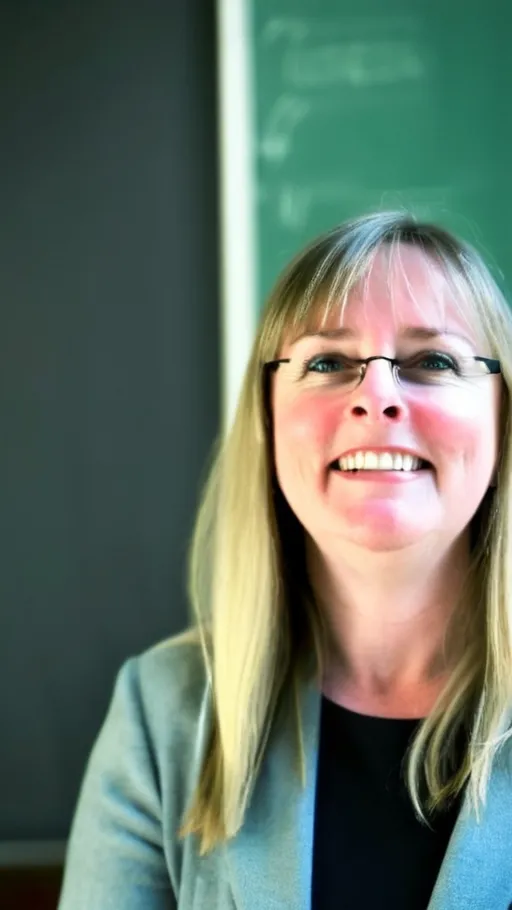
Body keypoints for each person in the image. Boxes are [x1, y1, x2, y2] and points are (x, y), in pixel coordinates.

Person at [58, 211, 512, 910]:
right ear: (268, 422)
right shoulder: (163, 715)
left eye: (434, 361)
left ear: (503, 421)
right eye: (327, 362)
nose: (378, 396)